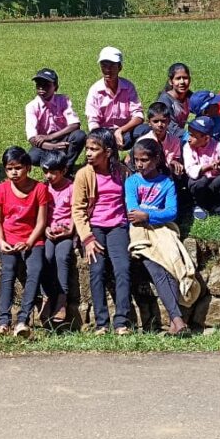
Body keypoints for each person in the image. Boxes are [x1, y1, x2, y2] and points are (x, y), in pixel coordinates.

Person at [125, 138, 192, 336]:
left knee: (171, 266)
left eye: (144, 160)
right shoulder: (132, 181)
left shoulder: (166, 182)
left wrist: (148, 216)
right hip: (140, 231)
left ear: (156, 159)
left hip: (162, 229)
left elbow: (171, 212)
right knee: (156, 267)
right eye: (136, 160)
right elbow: (132, 210)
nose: (139, 164)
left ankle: (176, 321)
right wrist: (145, 216)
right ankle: (178, 319)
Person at [71, 128, 133, 335]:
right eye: (87, 149)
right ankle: (101, 323)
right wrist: (87, 238)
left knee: (122, 268)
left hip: (117, 226)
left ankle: (122, 321)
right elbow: (78, 210)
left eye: (93, 149)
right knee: (97, 270)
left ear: (107, 152)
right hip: (94, 228)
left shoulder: (122, 172)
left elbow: (129, 201)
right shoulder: (83, 175)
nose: (88, 153)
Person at [0, 147, 50, 339]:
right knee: (8, 271)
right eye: (9, 169)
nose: (14, 173)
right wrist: (1, 241)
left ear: (28, 168)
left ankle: (23, 320)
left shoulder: (40, 189)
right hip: (8, 239)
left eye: (18, 168)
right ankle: (3, 322)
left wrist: (29, 242)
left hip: (33, 239)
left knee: (35, 269)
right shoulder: (0, 190)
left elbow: (41, 222)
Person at [25, 68, 86, 173]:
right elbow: (32, 138)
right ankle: (52, 168)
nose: (41, 88)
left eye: (46, 85)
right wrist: (52, 146)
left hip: (62, 139)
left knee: (79, 135)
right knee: (32, 157)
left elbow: (75, 124)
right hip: (45, 144)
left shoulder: (63, 100)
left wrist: (50, 137)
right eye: (38, 84)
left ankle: (67, 166)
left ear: (55, 87)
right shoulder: (31, 106)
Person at [85, 47, 143, 150]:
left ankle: (132, 158)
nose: (107, 70)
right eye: (104, 66)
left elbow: (138, 116)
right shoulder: (95, 90)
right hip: (103, 135)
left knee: (145, 130)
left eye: (112, 66)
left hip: (125, 132)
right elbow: (93, 122)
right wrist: (104, 138)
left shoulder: (128, 87)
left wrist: (120, 130)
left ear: (120, 67)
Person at [40, 151, 74, 325]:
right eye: (46, 171)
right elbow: (40, 212)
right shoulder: (44, 188)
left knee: (62, 256)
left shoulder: (71, 187)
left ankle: (62, 299)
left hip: (66, 232)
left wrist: (70, 229)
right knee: (45, 256)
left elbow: (77, 210)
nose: (49, 176)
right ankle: (47, 296)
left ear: (64, 170)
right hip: (48, 231)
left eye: (53, 172)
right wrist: (44, 228)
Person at [184, 115, 220, 220]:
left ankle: (216, 203)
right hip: (201, 183)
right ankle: (199, 204)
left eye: (194, 136)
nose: (189, 139)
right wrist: (209, 167)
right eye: (190, 134)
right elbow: (191, 170)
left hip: (213, 183)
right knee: (197, 182)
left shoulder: (217, 146)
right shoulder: (188, 147)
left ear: (206, 138)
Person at [138, 102, 184, 176]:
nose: (160, 125)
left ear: (168, 121)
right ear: (149, 122)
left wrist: (174, 163)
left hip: (168, 174)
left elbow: (175, 159)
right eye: (155, 121)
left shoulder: (175, 141)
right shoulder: (143, 141)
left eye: (163, 121)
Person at [153, 62, 192, 138]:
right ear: (171, 81)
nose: (182, 82)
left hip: (184, 136)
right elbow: (171, 129)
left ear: (190, 80)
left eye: (185, 78)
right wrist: (192, 136)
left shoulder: (191, 97)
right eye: (178, 78)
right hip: (167, 138)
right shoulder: (164, 101)